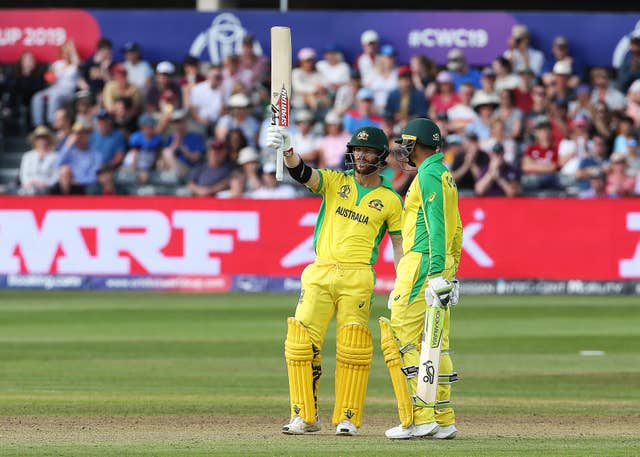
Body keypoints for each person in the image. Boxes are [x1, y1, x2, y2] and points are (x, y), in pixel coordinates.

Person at [266, 124, 404, 436]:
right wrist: (287, 150)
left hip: (358, 276)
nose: (360, 155)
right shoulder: (334, 182)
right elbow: (302, 173)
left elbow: (399, 246)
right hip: (320, 272)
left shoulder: (390, 199)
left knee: (352, 348)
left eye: (367, 151)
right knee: (301, 343)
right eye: (356, 150)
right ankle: (303, 415)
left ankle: (348, 418)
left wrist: (403, 282)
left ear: (381, 156)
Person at [381, 117, 462, 440]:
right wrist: (450, 274)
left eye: (406, 143)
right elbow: (457, 228)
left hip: (422, 264)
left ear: (418, 144)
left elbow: (437, 227)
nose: (402, 149)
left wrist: (434, 274)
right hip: (435, 266)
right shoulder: (444, 174)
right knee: (436, 342)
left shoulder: (428, 175)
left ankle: (417, 417)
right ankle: (443, 418)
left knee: (401, 338)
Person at [31, 41, 79, 126]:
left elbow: (76, 61)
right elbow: (49, 80)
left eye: (68, 52)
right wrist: (50, 76)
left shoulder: (74, 65)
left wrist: (72, 49)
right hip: (54, 89)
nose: (66, 54)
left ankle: (52, 123)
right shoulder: (57, 64)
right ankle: (38, 125)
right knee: (37, 97)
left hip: (67, 92)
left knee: (54, 97)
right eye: (64, 52)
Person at [19, 125, 59, 195]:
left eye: (44, 137)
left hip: (46, 187)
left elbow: (56, 175)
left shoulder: (55, 156)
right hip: (29, 186)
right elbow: (23, 174)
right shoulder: (27, 156)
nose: (41, 140)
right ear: (35, 140)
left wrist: (46, 184)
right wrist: (28, 183)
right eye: (39, 138)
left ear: (48, 139)